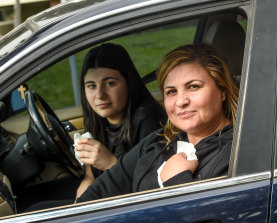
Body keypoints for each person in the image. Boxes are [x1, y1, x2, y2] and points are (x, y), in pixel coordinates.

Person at [76, 43, 239, 203]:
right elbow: (97, 194)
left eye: (193, 86)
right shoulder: (158, 141)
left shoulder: (237, 153)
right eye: (171, 91)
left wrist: (175, 182)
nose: (181, 101)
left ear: (222, 91)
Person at [75, 43, 166, 198]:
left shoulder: (149, 121)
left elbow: (150, 189)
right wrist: (77, 207)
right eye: (91, 86)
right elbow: (90, 176)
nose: (99, 95)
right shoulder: (97, 117)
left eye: (109, 83)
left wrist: (110, 163)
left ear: (128, 83)